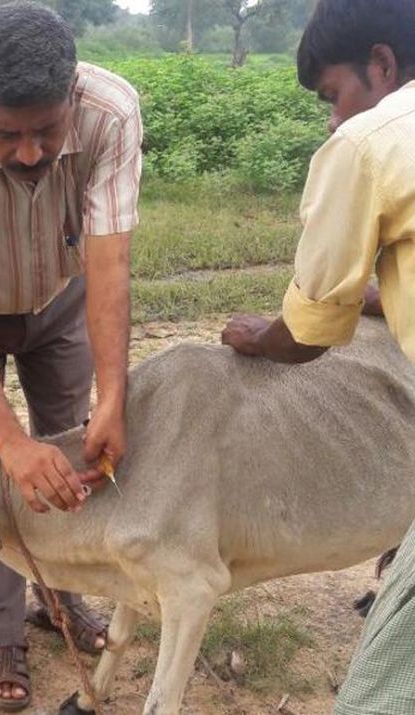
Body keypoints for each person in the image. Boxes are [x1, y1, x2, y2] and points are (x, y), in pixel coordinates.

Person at [0, 2, 142, 710]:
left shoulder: (112, 113)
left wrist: (112, 397)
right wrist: (7, 441)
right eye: (8, 134)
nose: (32, 152)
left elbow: (109, 268)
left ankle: (61, 595)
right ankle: (1, 628)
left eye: (47, 128)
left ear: (73, 94)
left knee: (68, 449)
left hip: (62, 299)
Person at [221, 1, 415, 713]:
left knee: (385, 685)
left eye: (335, 94)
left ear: (383, 64)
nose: (334, 118)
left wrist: (261, 336)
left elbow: (307, 334)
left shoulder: (368, 142)